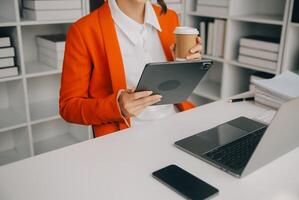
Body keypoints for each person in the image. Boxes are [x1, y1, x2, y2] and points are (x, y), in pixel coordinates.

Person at [59, 0, 202, 137]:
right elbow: (68, 107)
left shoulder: (169, 17)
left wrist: (185, 63)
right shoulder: (83, 30)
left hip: (177, 122)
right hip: (125, 136)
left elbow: (174, 85)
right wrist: (116, 107)